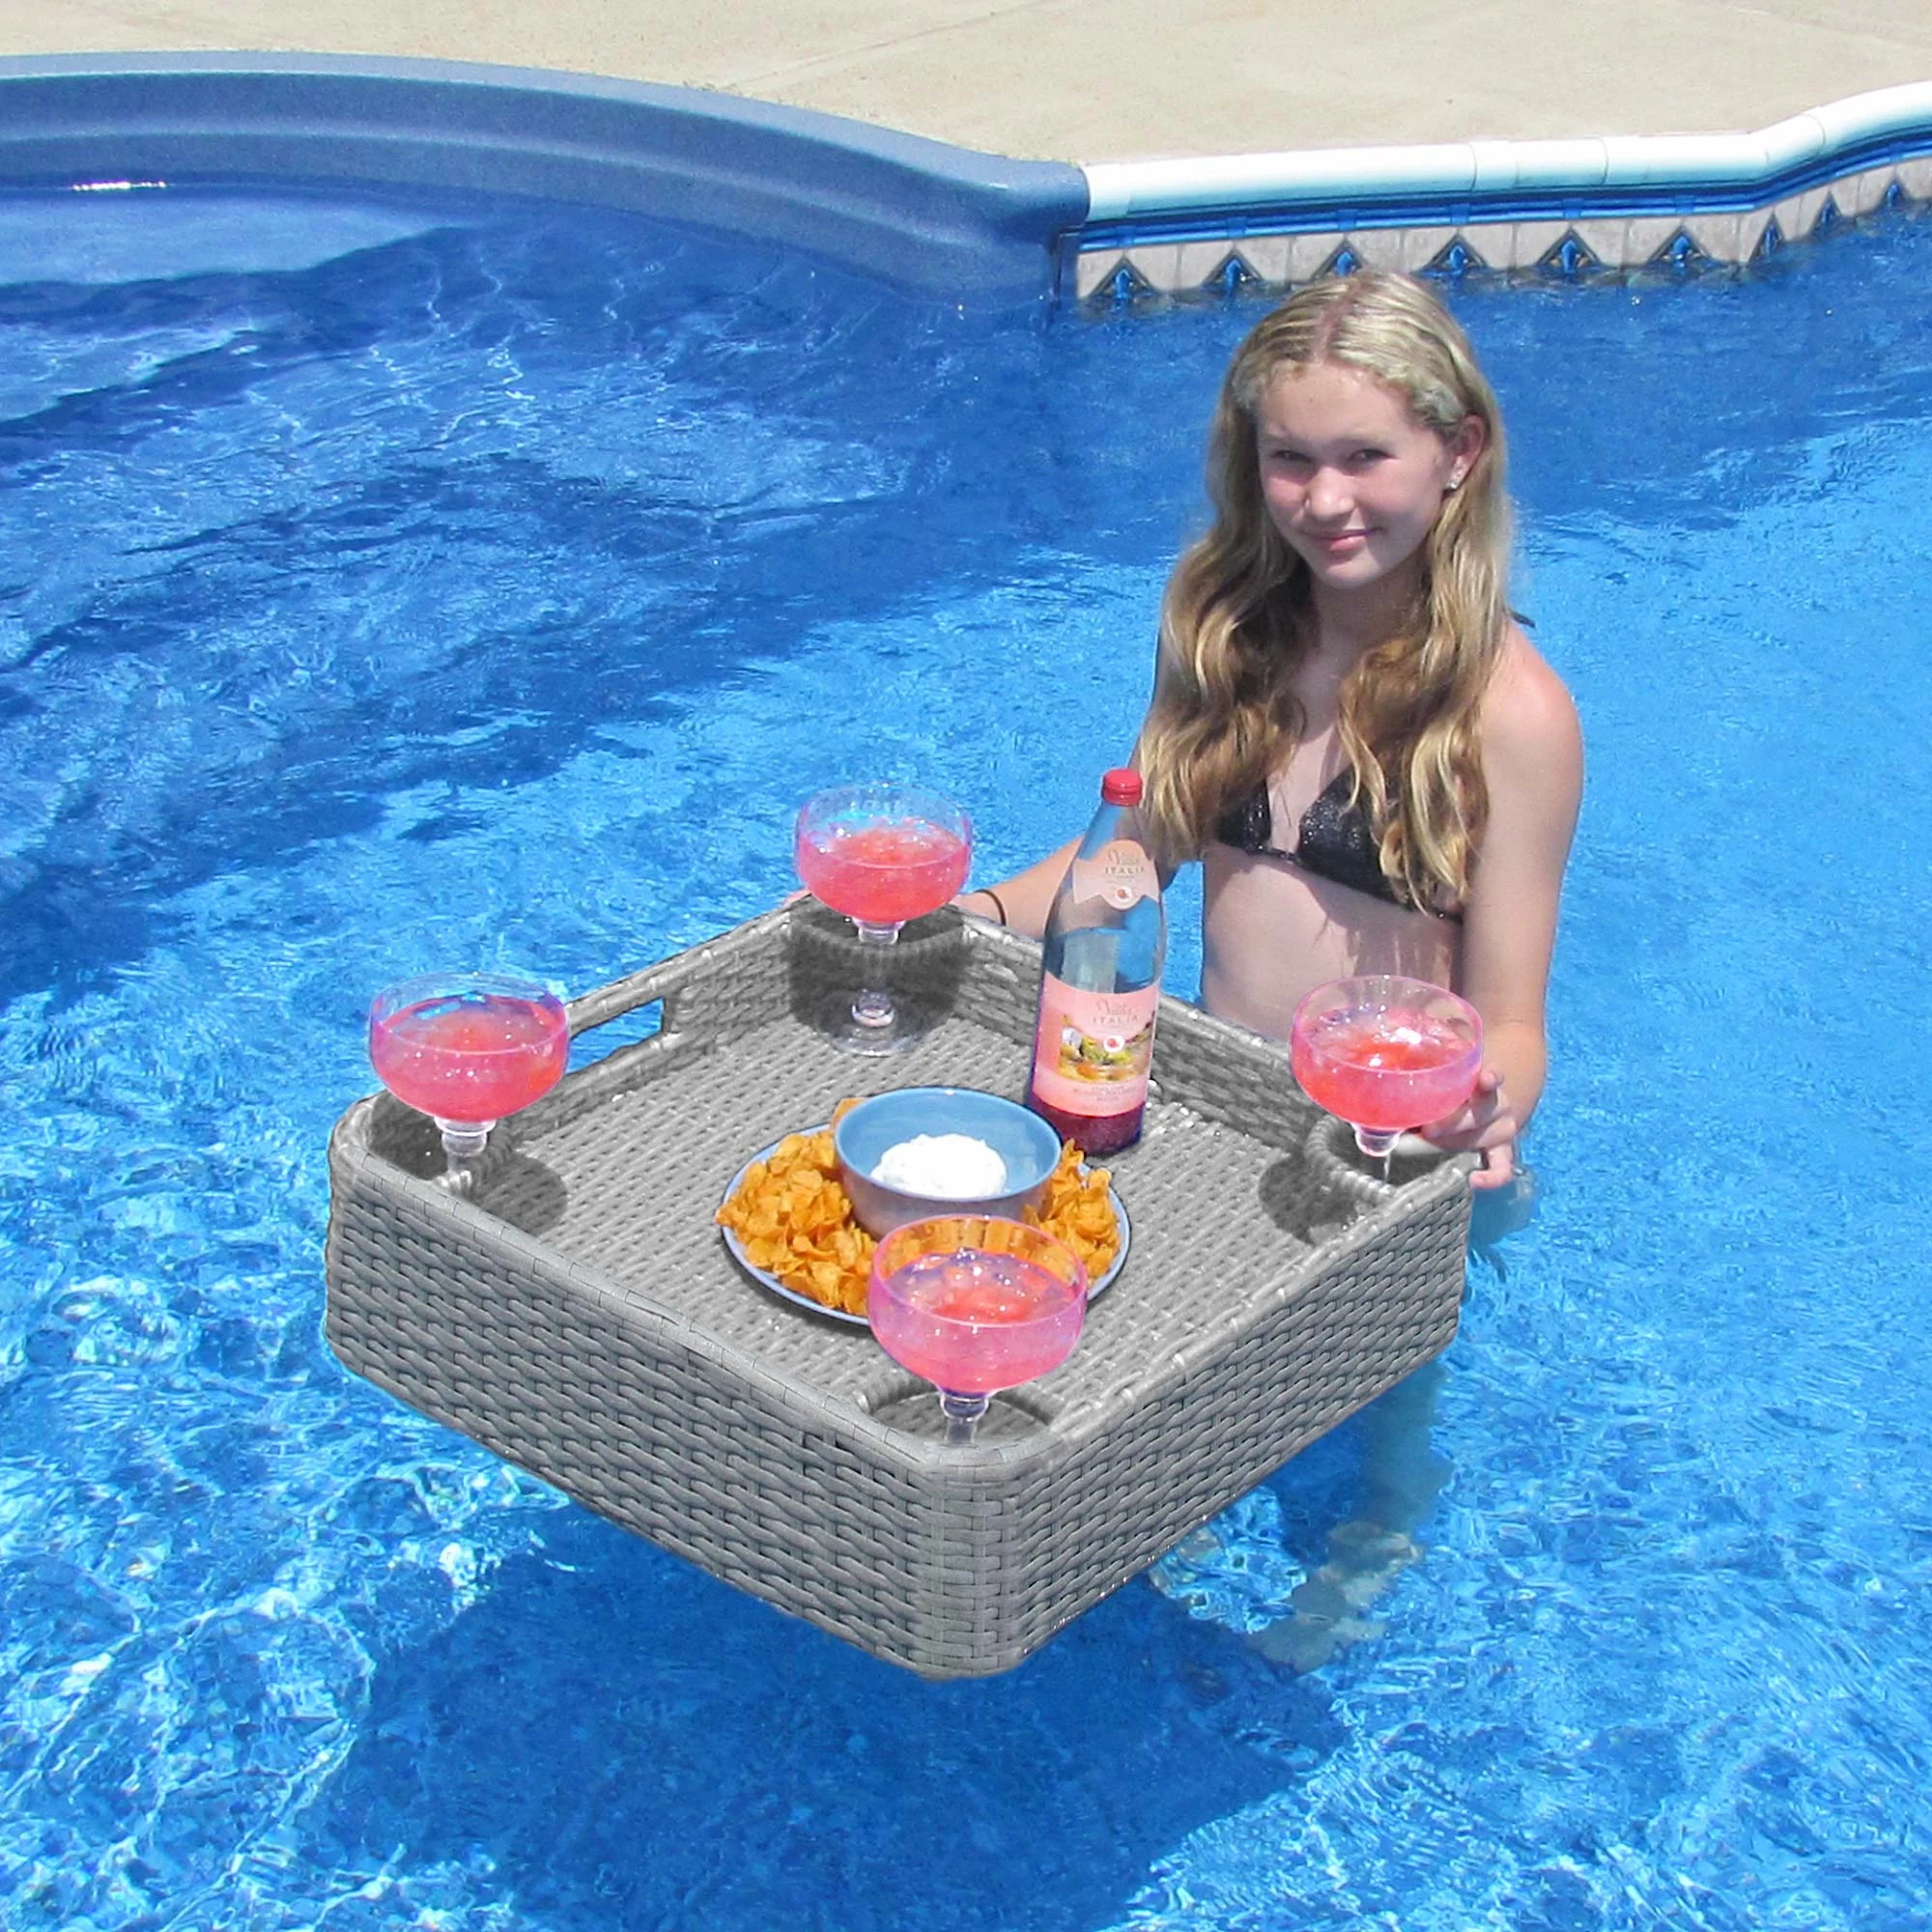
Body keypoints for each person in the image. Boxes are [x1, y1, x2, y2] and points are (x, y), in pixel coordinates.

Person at [959, 270, 1582, 1190]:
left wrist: (1487, 1107)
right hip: (1211, 1114)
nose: (1325, 501)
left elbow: (1513, 1022)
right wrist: (963, 915)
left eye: (1365, 457)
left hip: (1391, 1153)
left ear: (1459, 451)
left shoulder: (1511, 715)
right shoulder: (1225, 635)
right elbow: (1128, 863)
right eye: (1291, 458)